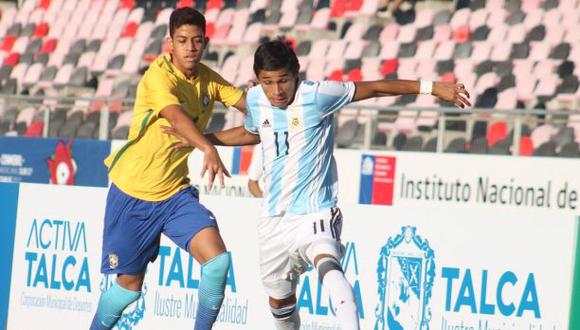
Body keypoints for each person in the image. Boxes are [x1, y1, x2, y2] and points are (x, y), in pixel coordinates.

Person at [165, 40, 470, 329]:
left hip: (315, 212)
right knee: (280, 302)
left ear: (295, 74)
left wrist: (433, 88)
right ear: (258, 79)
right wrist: (202, 141)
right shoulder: (256, 99)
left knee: (331, 272)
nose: (277, 90)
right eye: (268, 81)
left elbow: (375, 88)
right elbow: (253, 133)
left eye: (283, 80)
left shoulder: (318, 95)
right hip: (273, 220)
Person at [90, 7, 247, 330]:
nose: (190, 47)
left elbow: (249, 106)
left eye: (197, 41)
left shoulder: (208, 79)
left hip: (174, 195)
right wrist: (206, 146)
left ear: (206, 42)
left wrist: (273, 102)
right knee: (128, 289)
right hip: (133, 193)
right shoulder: (157, 76)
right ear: (169, 44)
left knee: (217, 263)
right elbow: (175, 116)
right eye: (182, 40)